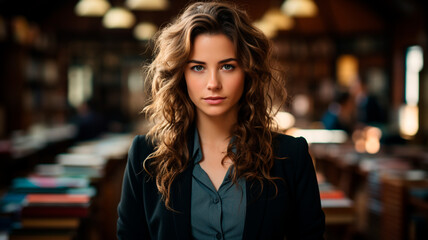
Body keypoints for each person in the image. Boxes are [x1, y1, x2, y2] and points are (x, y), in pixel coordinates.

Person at [117, 1, 325, 240]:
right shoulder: (145, 157)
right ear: (180, 75)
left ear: (248, 72)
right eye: (198, 68)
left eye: (227, 66)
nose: (213, 83)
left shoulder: (292, 157)